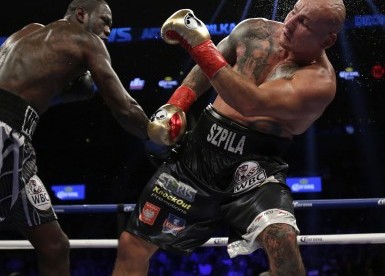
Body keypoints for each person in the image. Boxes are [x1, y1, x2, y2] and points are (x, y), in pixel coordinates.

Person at [113, 0, 346, 275]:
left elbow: (250, 102)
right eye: (294, 11)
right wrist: (178, 103)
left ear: (328, 40)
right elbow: (214, 61)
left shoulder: (318, 83)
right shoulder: (255, 29)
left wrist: (198, 45)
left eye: (304, 22)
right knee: (132, 245)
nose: (291, 22)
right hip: (198, 155)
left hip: (255, 170)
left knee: (284, 247)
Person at [0, 0, 151, 275]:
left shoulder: (29, 33)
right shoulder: (86, 41)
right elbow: (124, 107)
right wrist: (153, 134)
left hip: (7, 140)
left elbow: (12, 94)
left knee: (55, 246)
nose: (109, 30)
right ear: (81, 14)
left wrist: (70, 90)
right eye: (105, 21)